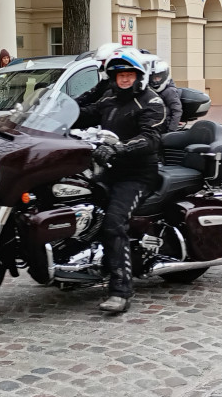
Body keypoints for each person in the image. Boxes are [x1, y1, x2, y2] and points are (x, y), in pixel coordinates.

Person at [77, 50, 166, 314]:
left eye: (128, 75)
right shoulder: (109, 98)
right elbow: (82, 114)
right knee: (79, 206)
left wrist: (119, 148)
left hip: (138, 173)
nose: (124, 79)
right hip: (109, 169)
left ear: (138, 77)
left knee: (114, 222)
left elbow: (151, 138)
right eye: (119, 75)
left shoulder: (152, 102)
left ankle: (121, 290)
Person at [148, 58, 183, 132]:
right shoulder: (149, 90)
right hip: (153, 124)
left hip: (164, 126)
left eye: (158, 77)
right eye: (153, 78)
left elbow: (177, 111)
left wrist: (171, 131)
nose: (155, 81)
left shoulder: (170, 91)